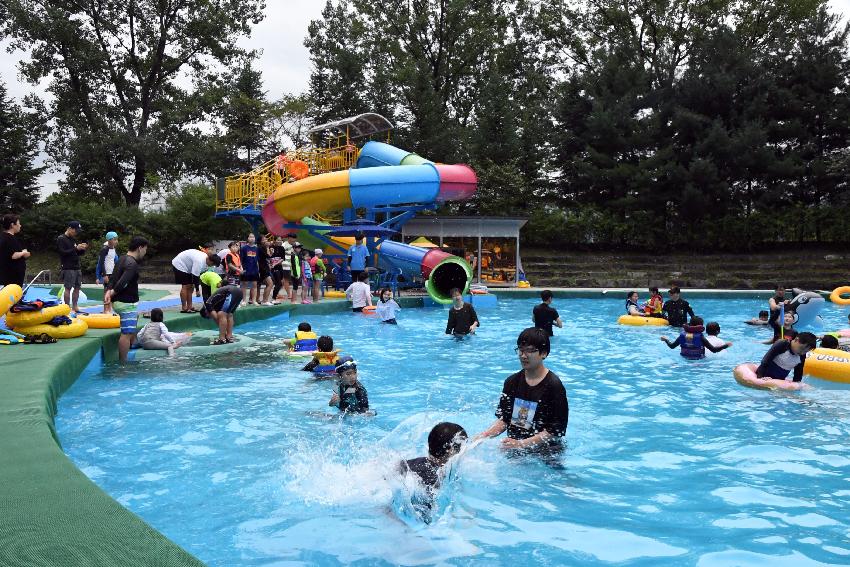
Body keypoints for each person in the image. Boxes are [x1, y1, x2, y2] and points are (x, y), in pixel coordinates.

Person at [478, 328, 568, 451]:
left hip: (546, 452)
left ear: (544, 353)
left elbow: (555, 431)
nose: (523, 355)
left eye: (530, 351)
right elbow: (505, 419)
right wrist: (484, 436)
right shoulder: (512, 382)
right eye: (520, 350)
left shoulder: (554, 386)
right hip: (514, 447)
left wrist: (522, 444)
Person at [397, 422, 468, 523]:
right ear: (450, 449)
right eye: (463, 446)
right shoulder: (435, 478)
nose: (464, 451)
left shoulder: (409, 463)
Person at [104, 236, 149, 363]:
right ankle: (123, 364)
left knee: (133, 321)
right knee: (126, 334)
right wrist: (112, 292)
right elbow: (123, 282)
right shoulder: (132, 263)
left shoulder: (122, 259)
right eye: (145, 249)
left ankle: (133, 343)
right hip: (126, 302)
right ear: (140, 248)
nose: (145, 252)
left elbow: (113, 278)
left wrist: (108, 291)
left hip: (120, 301)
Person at [172, 248, 220, 312]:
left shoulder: (206, 261)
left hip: (188, 266)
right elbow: (195, 276)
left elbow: (199, 275)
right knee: (185, 286)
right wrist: (197, 290)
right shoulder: (199, 261)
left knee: (191, 286)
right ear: (210, 260)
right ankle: (184, 307)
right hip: (179, 264)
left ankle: (190, 306)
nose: (212, 266)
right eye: (213, 264)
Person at [660, 317, 732, 359]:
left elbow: (672, 346)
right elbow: (714, 350)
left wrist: (666, 339)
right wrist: (726, 345)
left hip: (684, 358)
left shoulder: (682, 335)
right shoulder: (701, 337)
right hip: (699, 361)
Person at [57, 220, 88, 313]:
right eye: (76, 230)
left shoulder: (72, 239)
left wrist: (82, 248)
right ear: (70, 229)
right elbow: (62, 252)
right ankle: (67, 307)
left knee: (78, 287)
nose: (76, 233)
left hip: (76, 266)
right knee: (68, 288)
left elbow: (76, 253)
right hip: (67, 267)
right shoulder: (61, 238)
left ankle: (75, 306)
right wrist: (75, 248)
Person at [0, 214, 30, 287]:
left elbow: (10, 252)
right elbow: (13, 255)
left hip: (11, 274)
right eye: (19, 223)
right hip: (13, 276)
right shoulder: (8, 238)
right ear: (13, 225)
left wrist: (22, 252)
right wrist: (23, 252)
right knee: (13, 296)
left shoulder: (5, 237)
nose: (20, 225)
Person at [95, 231, 119, 314]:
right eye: (114, 239)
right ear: (109, 240)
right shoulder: (104, 249)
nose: (116, 241)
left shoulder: (113, 249)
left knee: (111, 291)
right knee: (106, 291)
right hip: (106, 274)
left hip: (112, 273)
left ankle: (109, 309)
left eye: (117, 239)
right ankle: (105, 310)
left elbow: (115, 261)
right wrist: (103, 275)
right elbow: (101, 263)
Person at [240, 233, 260, 305]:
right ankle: (244, 301)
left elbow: (258, 260)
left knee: (254, 285)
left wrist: (258, 270)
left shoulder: (257, 249)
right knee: (244, 285)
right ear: (247, 238)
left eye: (253, 237)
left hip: (254, 270)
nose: (252, 238)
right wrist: (241, 268)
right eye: (250, 237)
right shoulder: (244, 248)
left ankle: (254, 300)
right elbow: (241, 260)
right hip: (246, 269)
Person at [257, 235, 274, 305]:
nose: (266, 240)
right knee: (270, 284)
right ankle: (264, 301)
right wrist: (267, 247)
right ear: (260, 241)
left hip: (265, 267)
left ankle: (263, 300)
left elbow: (269, 256)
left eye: (266, 239)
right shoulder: (260, 248)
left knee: (266, 284)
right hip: (262, 268)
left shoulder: (262, 248)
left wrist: (271, 251)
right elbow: (267, 256)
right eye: (264, 239)